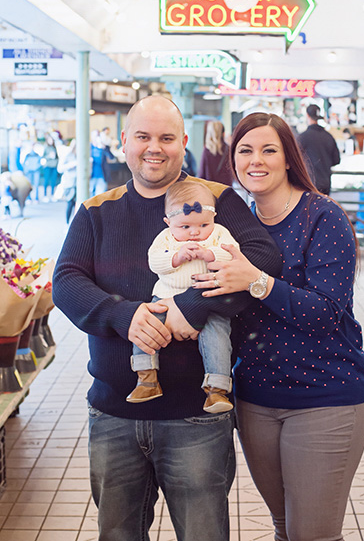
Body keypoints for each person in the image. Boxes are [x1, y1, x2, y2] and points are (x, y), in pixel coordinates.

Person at [52, 95, 281, 541]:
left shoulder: (216, 201)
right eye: (143, 136)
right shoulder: (97, 210)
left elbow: (261, 258)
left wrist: (190, 307)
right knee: (117, 533)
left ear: (182, 143)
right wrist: (123, 316)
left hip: (195, 415)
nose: (154, 147)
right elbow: (66, 282)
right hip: (114, 412)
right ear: (124, 142)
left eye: (166, 137)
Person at [192, 112, 364, 541]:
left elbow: (327, 313)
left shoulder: (322, 217)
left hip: (324, 398)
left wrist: (257, 281)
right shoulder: (235, 226)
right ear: (232, 160)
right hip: (255, 401)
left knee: (313, 534)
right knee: (284, 528)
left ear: (288, 158)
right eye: (245, 150)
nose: (256, 160)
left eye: (268, 149)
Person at [127, 180, 239, 414]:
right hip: (165, 297)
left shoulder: (218, 234)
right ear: (169, 223)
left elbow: (233, 255)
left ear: (214, 218)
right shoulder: (166, 238)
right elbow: (154, 261)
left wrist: (210, 253)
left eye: (203, 224)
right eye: (185, 227)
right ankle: (146, 377)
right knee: (145, 324)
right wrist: (176, 258)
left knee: (218, 333)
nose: (195, 232)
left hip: (208, 300)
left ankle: (217, 389)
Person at [298, 104, 340, 195]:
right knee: (323, 208)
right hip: (326, 183)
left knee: (309, 208)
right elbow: (336, 160)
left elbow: (294, 159)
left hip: (309, 184)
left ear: (307, 115)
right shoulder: (328, 136)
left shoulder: (302, 137)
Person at [198, 120, 233, 186]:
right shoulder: (228, 149)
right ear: (223, 133)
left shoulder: (207, 151)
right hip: (225, 189)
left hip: (210, 190)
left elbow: (202, 174)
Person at [57, 139, 77, 224]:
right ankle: (68, 223)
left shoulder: (82, 154)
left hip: (78, 183)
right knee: (70, 203)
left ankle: (75, 223)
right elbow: (60, 169)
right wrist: (71, 165)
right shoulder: (67, 154)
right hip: (70, 183)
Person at [41, 134, 59, 201]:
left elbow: (57, 157)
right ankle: (45, 195)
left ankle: (52, 195)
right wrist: (49, 156)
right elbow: (43, 157)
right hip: (48, 166)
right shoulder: (46, 147)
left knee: (53, 181)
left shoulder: (54, 148)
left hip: (54, 166)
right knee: (46, 180)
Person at [90, 130, 107, 196]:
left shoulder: (103, 148)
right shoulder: (89, 147)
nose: (96, 137)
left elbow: (111, 157)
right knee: (90, 194)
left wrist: (104, 147)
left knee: (100, 195)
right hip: (91, 175)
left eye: (98, 135)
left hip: (101, 175)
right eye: (95, 135)